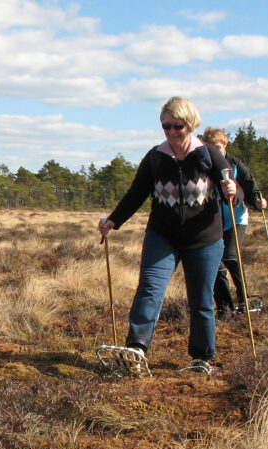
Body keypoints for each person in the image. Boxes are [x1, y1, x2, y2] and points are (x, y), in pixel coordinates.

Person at [99, 97, 238, 375]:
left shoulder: (210, 154)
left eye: (178, 126)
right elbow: (136, 193)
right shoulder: (155, 157)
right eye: (166, 126)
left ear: (191, 124)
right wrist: (114, 220)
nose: (172, 132)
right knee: (150, 288)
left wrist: (232, 190)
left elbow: (233, 191)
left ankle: (201, 357)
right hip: (163, 236)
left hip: (205, 239)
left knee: (200, 298)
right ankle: (136, 349)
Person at [202, 127, 267, 319]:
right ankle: (224, 306)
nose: (216, 151)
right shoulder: (204, 166)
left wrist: (258, 202)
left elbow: (250, 187)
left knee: (230, 256)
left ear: (225, 145)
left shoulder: (236, 165)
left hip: (236, 219)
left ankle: (243, 296)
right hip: (214, 222)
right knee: (215, 263)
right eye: (211, 147)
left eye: (219, 147)